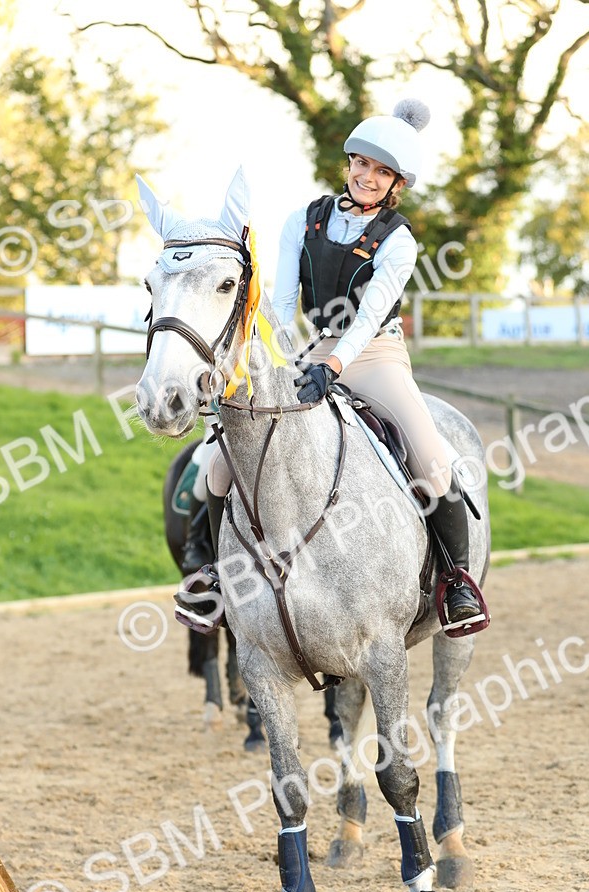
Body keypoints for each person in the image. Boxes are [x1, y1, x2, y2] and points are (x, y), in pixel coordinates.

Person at [177, 98, 486, 632]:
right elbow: (279, 300)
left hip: (376, 354)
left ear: (396, 184)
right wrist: (283, 356)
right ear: (349, 164)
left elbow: (368, 318)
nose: (368, 176)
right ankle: (210, 570)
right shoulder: (304, 219)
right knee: (219, 456)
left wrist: (336, 365)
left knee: (432, 455)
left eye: (382, 171)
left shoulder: (400, 240)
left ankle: (456, 581)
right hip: (311, 347)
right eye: (362, 164)